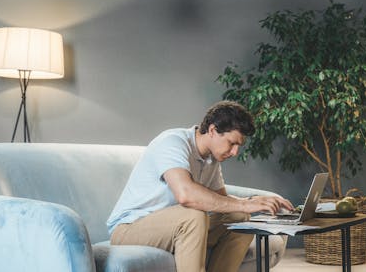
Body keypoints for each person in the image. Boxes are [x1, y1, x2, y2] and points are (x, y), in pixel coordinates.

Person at [107, 100, 293, 272]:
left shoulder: (212, 159)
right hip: (129, 230)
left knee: (239, 217)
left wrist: (252, 202)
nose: (235, 152)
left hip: (176, 228)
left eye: (239, 146)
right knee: (193, 215)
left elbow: (222, 203)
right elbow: (185, 195)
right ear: (212, 130)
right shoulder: (172, 142)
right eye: (231, 143)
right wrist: (246, 203)